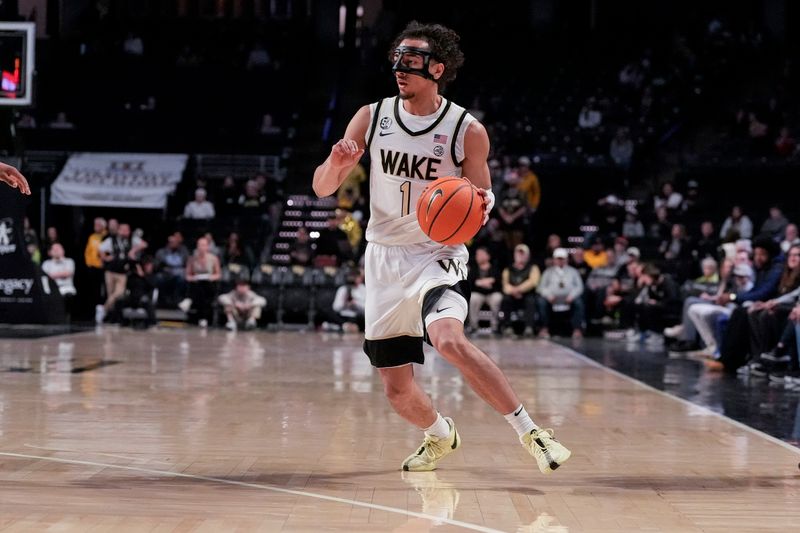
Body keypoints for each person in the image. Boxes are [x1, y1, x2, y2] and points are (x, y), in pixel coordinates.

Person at [311, 21, 570, 475]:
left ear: (437, 68)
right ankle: (438, 435)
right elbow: (321, 188)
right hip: (384, 257)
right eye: (396, 60)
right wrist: (337, 164)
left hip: (438, 253)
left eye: (409, 61)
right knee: (396, 390)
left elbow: (481, 201)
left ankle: (532, 431)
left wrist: (476, 206)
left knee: (449, 339)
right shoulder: (372, 117)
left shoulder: (466, 129)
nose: (399, 69)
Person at [41, 243, 77, 320]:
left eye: (58, 249)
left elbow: (68, 273)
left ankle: (66, 317)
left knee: (67, 296)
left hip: (66, 288)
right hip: (52, 289)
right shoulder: (46, 264)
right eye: (54, 249)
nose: (56, 251)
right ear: (50, 252)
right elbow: (44, 277)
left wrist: (52, 275)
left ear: (63, 251)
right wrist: (60, 274)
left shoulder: (69, 261)